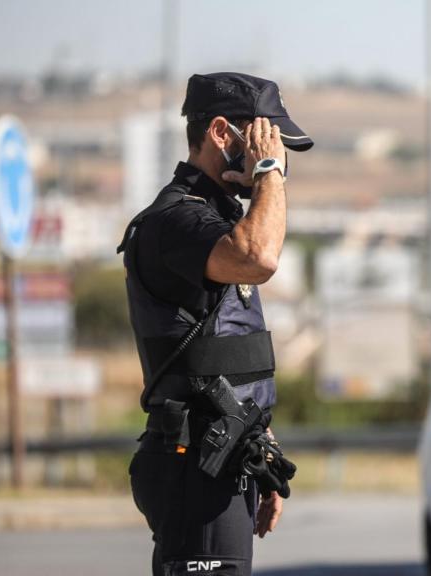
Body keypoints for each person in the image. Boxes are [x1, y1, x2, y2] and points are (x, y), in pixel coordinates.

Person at [118, 72, 313, 576]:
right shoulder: (177, 221)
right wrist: (268, 172)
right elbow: (259, 258)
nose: (281, 160)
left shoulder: (219, 222)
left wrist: (261, 451)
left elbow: (226, 354)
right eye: (269, 142)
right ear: (223, 134)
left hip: (224, 457)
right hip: (193, 465)